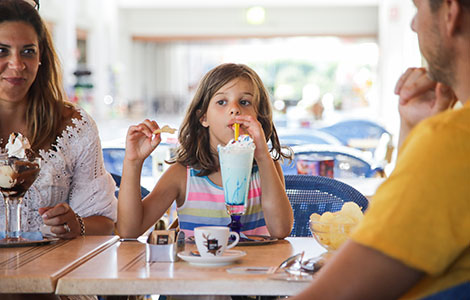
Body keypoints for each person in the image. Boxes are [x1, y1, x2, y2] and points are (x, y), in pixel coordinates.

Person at [292, 0, 470, 299]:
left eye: (418, 9)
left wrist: (431, 135)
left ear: (450, 15)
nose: (413, 24)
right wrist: (413, 130)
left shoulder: (453, 143)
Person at [118, 63, 294, 240]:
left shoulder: (266, 169)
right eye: (221, 102)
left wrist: (263, 156)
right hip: (196, 268)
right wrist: (133, 162)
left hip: (254, 267)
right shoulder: (182, 175)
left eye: (244, 102)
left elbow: (280, 230)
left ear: (258, 116)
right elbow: (129, 231)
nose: (235, 109)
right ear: (203, 117)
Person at [0, 0, 117, 240]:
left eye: (28, 51)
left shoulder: (74, 126)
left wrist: (77, 225)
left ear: (41, 57)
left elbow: (106, 222)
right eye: (2, 51)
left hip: (51, 273)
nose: (17, 64)